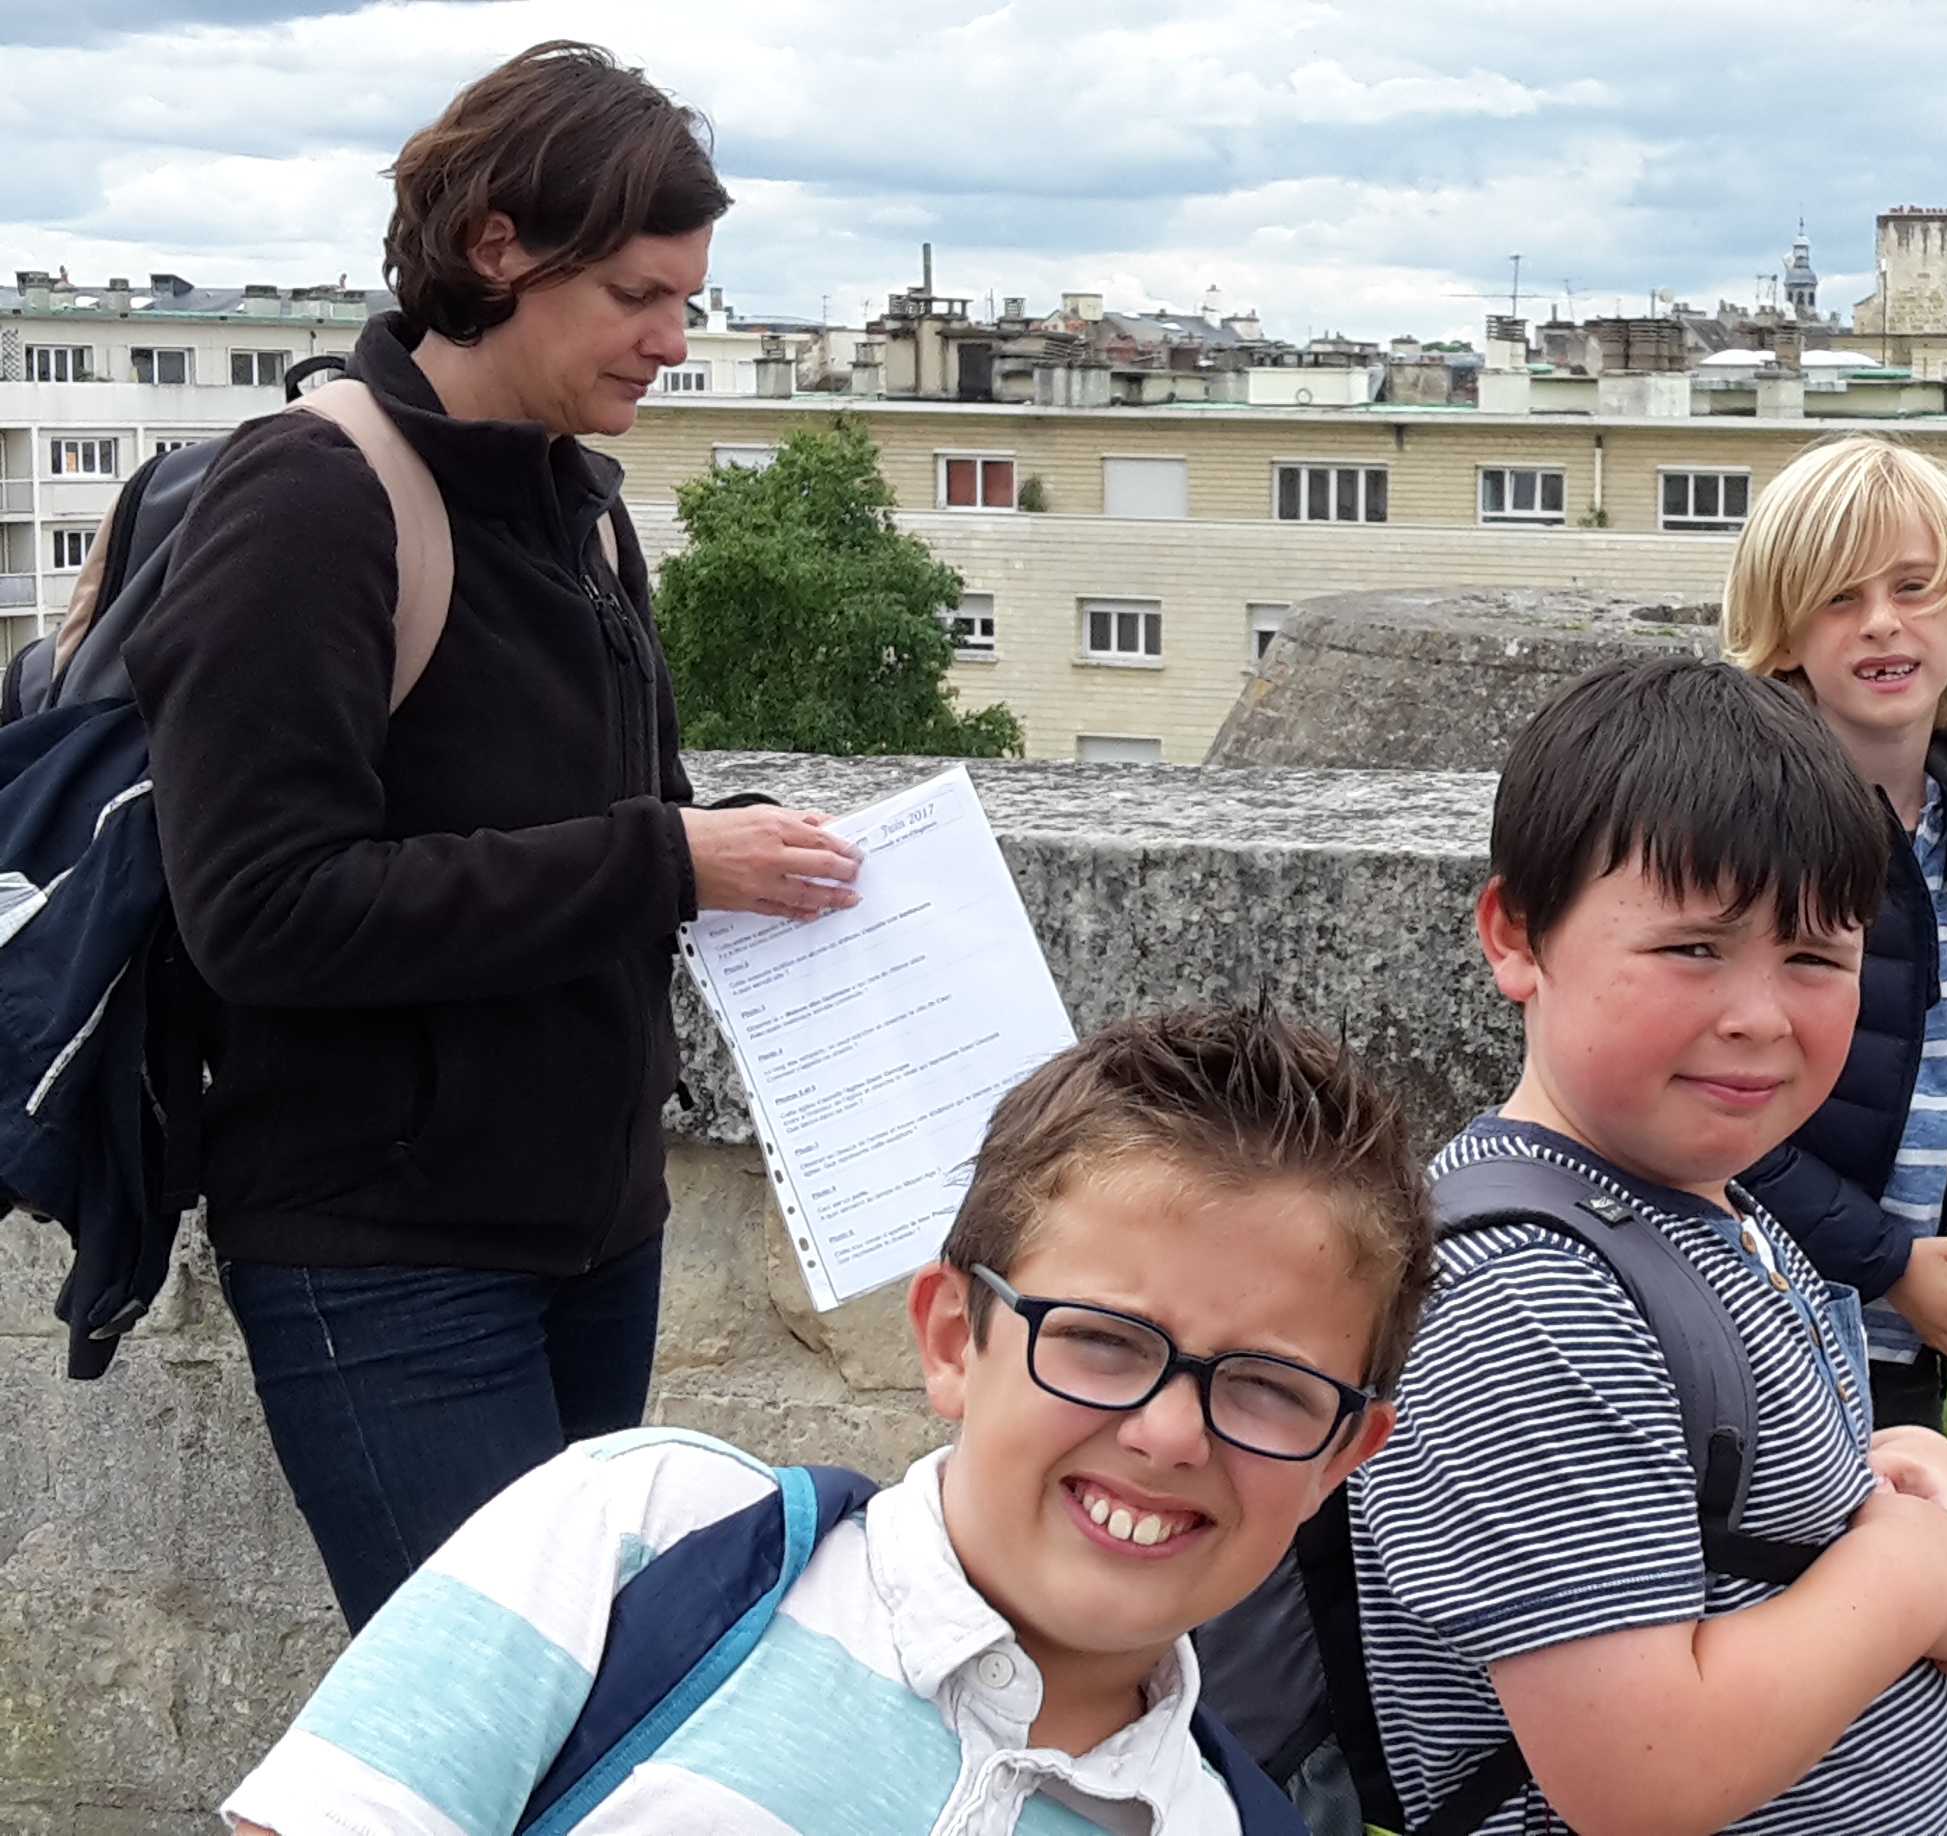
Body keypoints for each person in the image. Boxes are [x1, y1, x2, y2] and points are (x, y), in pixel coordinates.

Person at [121, 42, 865, 1629]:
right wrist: (667, 860)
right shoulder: (311, 506)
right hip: (385, 1256)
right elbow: (262, 909)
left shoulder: (578, 502)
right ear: (498, 250)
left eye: (692, 302)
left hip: (594, 1225)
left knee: (593, 1712)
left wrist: (720, 844)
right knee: (498, 1738)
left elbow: (592, 814)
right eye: (639, 300)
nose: (675, 342)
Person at [220, 1005, 1428, 1833]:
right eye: (1103, 1342)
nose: (1171, 1434)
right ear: (956, 1338)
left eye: (1270, 1386)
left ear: (1345, 1457)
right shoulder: (644, 1544)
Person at [1353, 655, 1947, 1833]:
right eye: (1694, 948)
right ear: (1517, 937)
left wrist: (1887, 1479)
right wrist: (1909, 1580)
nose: (1758, 1012)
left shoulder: (1708, 1198)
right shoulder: (1523, 1297)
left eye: (1815, 957)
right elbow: (1644, 1779)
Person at [1721, 433, 1947, 1432]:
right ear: (1784, 630)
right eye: (1838, 597)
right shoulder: (1744, 825)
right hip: (1756, 1314)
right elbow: (1718, 1120)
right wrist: (1891, 1262)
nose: (1883, 624)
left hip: (1907, 1334)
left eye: (1914, 586)